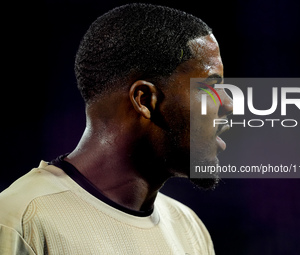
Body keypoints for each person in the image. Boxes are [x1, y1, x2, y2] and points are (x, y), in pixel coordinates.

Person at [0, 3, 232, 254]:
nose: (228, 104)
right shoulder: (20, 221)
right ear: (144, 100)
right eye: (209, 87)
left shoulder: (189, 228)